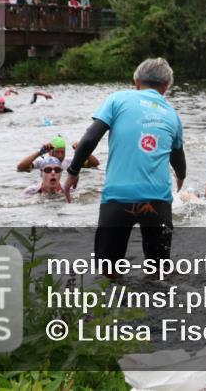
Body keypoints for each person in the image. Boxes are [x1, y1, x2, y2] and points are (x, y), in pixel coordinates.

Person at [63, 58, 186, 264]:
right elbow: (178, 157)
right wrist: (180, 179)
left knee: (107, 270)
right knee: (159, 270)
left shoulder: (117, 100)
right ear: (166, 88)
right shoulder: (173, 115)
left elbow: (90, 138)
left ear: (136, 82)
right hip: (158, 199)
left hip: (118, 197)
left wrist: (73, 171)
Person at [17, 136, 99, 197]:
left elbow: (95, 164)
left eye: (62, 152)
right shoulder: (42, 163)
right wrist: (39, 152)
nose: (60, 155)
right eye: (48, 170)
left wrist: (83, 150)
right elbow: (20, 168)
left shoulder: (70, 162)